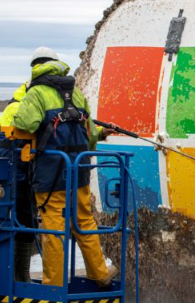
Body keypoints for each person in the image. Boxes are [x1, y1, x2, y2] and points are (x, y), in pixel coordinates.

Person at [12, 47, 117, 288]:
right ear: (58, 65)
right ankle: (99, 274)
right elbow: (89, 136)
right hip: (79, 171)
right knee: (84, 221)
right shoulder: (76, 94)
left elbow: (27, 124)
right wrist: (101, 134)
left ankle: (54, 285)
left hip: (50, 174)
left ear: (35, 67)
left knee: (54, 229)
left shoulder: (36, 93)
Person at [0, 80, 37, 282]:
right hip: (15, 166)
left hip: (5, 165)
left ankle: (13, 273)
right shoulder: (24, 108)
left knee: (9, 217)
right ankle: (20, 275)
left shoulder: (14, 105)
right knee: (24, 217)